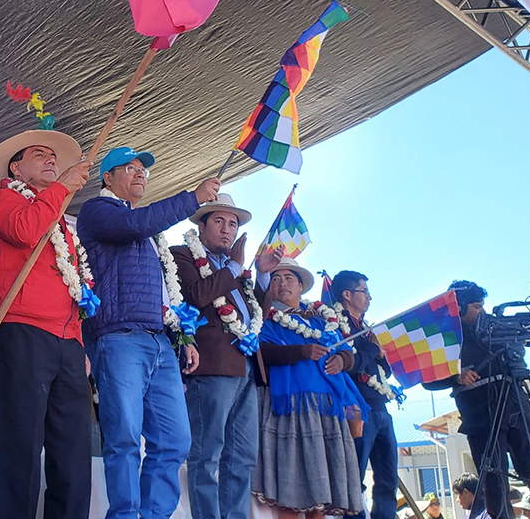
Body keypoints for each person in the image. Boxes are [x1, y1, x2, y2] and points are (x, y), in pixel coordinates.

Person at [76, 146, 220, 519]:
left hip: (159, 341)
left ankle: (153, 515)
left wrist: (182, 338)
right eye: (130, 168)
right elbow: (135, 226)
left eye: (143, 170)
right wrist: (193, 198)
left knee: (175, 440)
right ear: (107, 178)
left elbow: (163, 290)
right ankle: (124, 515)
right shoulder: (98, 211)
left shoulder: (146, 228)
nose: (140, 174)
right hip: (119, 337)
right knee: (124, 437)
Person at [0, 129, 92, 518]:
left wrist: (77, 339)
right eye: (39, 154)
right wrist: (60, 189)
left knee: (74, 447)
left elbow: (72, 285)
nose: (50, 160)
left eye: (53, 157)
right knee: (22, 444)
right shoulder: (5, 199)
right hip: (21, 329)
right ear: (16, 167)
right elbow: (25, 230)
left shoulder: (60, 219)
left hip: (66, 339)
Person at [170, 197, 282, 519]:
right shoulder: (183, 255)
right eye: (219, 222)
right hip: (212, 365)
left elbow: (252, 316)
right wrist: (235, 266)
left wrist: (260, 276)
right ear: (201, 226)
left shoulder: (231, 270)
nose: (227, 229)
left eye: (233, 224)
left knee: (243, 456)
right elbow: (197, 295)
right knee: (207, 454)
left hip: (246, 365)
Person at [427, 281, 530, 519]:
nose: (483, 312)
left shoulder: (494, 327)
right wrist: (455, 377)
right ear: (459, 307)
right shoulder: (446, 339)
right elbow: (427, 378)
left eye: (482, 306)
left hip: (518, 410)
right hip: (480, 419)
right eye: (477, 306)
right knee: (494, 484)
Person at [254, 257, 366, 519]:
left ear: (302, 287)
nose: (282, 284)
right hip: (288, 409)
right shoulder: (265, 320)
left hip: (326, 410)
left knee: (320, 492)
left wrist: (342, 359)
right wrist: (301, 351)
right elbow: (261, 351)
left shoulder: (321, 320)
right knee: (289, 491)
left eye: (289, 278)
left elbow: (346, 349)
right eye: (276, 278)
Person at [335, 270, 400, 519]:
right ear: (347, 294)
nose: (369, 298)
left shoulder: (367, 329)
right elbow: (349, 363)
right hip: (354, 406)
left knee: (388, 478)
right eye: (364, 292)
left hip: (381, 408)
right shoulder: (334, 323)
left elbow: (384, 372)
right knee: (355, 473)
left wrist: (379, 354)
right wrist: (372, 349)